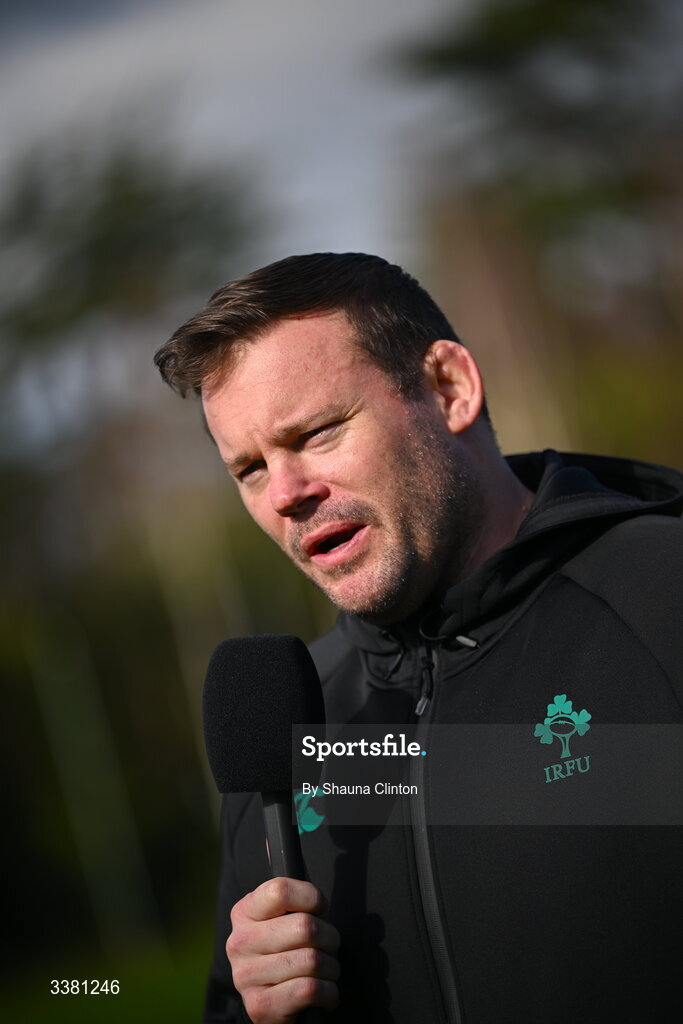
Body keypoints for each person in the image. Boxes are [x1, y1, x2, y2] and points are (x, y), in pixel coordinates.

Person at [155, 253, 683, 1024]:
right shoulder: (286, 731)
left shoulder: (662, 600)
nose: (285, 494)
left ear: (448, 388)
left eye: (317, 432)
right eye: (248, 468)